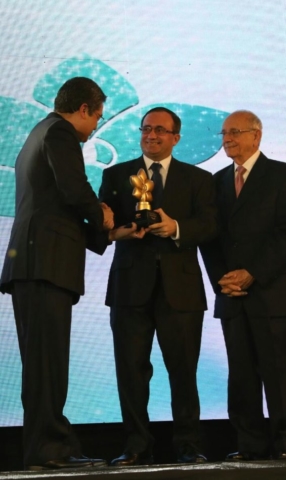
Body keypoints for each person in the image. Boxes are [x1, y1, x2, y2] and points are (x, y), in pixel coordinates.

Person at [0, 77, 113, 470]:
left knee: (42, 365)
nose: (95, 126)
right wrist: (102, 214)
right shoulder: (60, 133)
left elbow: (55, 205)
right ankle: (50, 451)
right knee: (47, 365)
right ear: (83, 109)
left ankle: (46, 449)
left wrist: (106, 233)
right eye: (96, 117)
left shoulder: (41, 132)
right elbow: (74, 189)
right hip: (43, 265)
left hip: (35, 264)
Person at [98, 107, 218, 466]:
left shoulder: (198, 179)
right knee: (131, 371)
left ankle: (188, 444)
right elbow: (105, 226)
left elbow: (210, 225)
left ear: (175, 138)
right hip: (129, 288)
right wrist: (117, 230)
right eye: (146, 129)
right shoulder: (116, 174)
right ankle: (136, 445)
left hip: (180, 291)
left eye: (160, 130)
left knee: (184, 371)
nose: (151, 135)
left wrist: (176, 228)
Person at [201, 110, 286, 461]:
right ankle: (250, 445)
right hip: (232, 296)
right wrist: (222, 280)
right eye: (224, 133)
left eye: (235, 132)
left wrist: (252, 273)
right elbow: (209, 238)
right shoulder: (216, 182)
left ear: (256, 136)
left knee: (281, 374)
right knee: (241, 376)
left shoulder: (283, 175)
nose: (227, 139)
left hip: (274, 293)